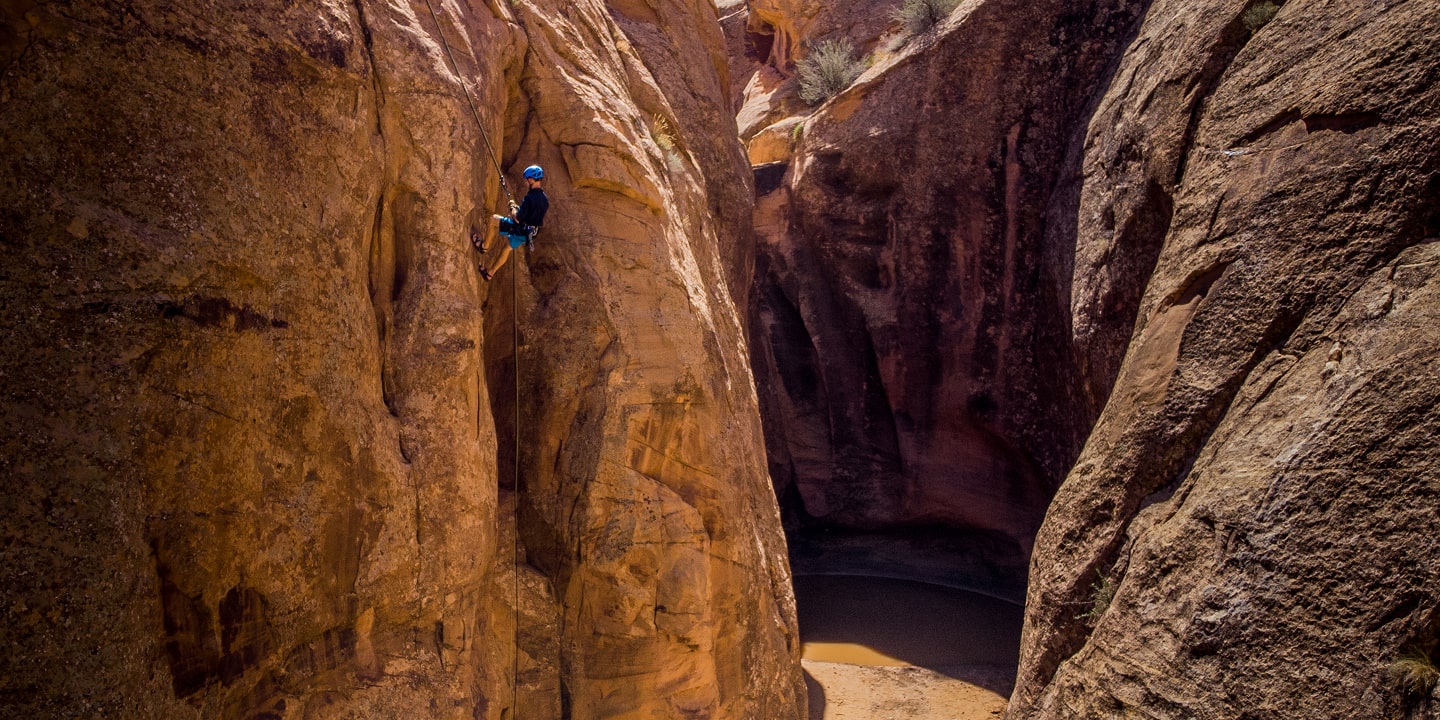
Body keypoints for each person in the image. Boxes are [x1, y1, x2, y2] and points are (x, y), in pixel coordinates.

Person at [474, 165, 549, 281]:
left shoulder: (529, 198)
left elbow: (517, 218)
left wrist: (513, 208)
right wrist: (518, 210)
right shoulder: (545, 199)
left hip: (520, 228)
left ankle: (483, 247)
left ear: (531, 180)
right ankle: (490, 273)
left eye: (526, 179)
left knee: (493, 219)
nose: (525, 182)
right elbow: (532, 215)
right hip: (531, 233)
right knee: (507, 248)